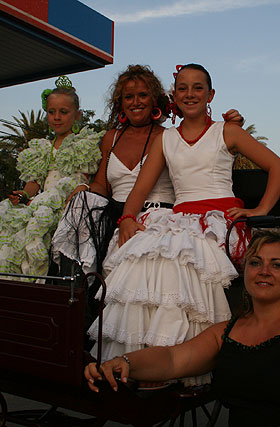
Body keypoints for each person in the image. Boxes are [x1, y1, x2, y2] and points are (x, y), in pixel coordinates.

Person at [87, 63, 280, 386]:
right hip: (180, 217)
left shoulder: (227, 131)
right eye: (182, 88)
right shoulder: (166, 138)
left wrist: (260, 209)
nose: (190, 94)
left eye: (197, 88)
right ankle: (140, 358)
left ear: (210, 94)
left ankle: (179, 360)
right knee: (144, 258)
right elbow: (140, 188)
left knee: (176, 262)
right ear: (174, 95)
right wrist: (127, 218)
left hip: (219, 220)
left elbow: (278, 167)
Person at [85, 231, 280, 427]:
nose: (264, 271)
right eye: (255, 262)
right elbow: (173, 358)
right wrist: (124, 361)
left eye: (277, 265)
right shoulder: (227, 332)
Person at [51, 65, 243, 279]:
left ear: (154, 100)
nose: (136, 102)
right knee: (80, 203)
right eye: (129, 97)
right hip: (115, 211)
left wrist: (230, 135)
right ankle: (73, 285)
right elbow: (102, 185)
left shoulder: (168, 136)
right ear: (120, 102)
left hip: (156, 212)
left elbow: (198, 164)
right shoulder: (111, 138)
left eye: (142, 95)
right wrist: (84, 189)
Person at [0, 76, 102, 280]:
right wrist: (23, 194)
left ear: (77, 114)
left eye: (63, 112)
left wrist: (66, 196)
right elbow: (34, 183)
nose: (57, 117)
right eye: (51, 112)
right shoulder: (41, 148)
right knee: (2, 231)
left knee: (32, 231)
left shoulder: (84, 145)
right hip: (39, 204)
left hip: (66, 207)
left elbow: (80, 179)